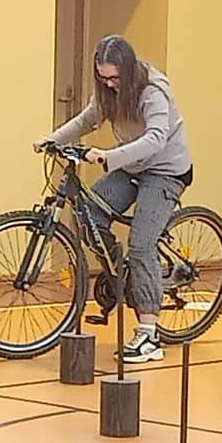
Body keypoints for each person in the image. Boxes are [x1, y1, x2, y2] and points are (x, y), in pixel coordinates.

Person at [34, 35, 193, 363]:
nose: (109, 84)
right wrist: (52, 139)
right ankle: (126, 275)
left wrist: (109, 156)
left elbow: (156, 139)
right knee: (88, 214)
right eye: (103, 77)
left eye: (114, 78)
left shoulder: (153, 90)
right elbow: (88, 119)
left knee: (142, 244)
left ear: (129, 69)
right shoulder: (107, 90)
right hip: (131, 166)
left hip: (165, 170)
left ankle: (149, 335)